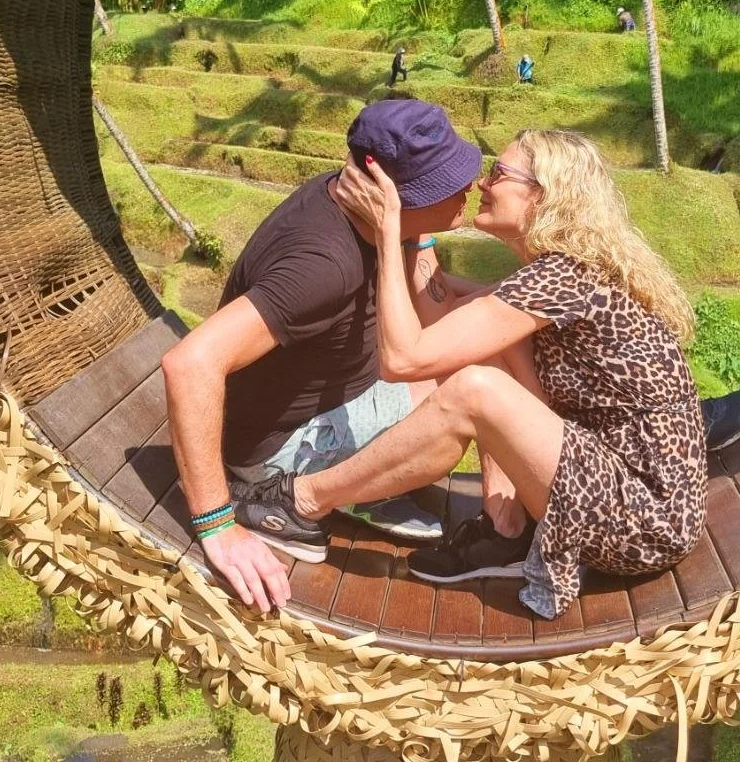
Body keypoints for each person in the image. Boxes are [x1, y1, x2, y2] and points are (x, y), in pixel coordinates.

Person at [241, 130, 708, 619]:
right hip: (604, 478)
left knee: (475, 388)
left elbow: (402, 359)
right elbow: (443, 310)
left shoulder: (564, 277)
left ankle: (301, 502)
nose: (484, 184)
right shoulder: (560, 273)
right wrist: (417, 227)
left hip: (644, 518)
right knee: (484, 351)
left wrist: (387, 227)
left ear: (544, 194)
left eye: (499, 174)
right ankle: (506, 529)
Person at [161, 99, 482, 613]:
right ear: (387, 197)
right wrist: (216, 527)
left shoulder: (372, 217)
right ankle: (303, 497)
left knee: (483, 341)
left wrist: (516, 298)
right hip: (274, 455)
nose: (467, 191)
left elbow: (433, 297)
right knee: (470, 395)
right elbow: (189, 363)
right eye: (447, 185)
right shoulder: (323, 266)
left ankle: (362, 485)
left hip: (338, 395)